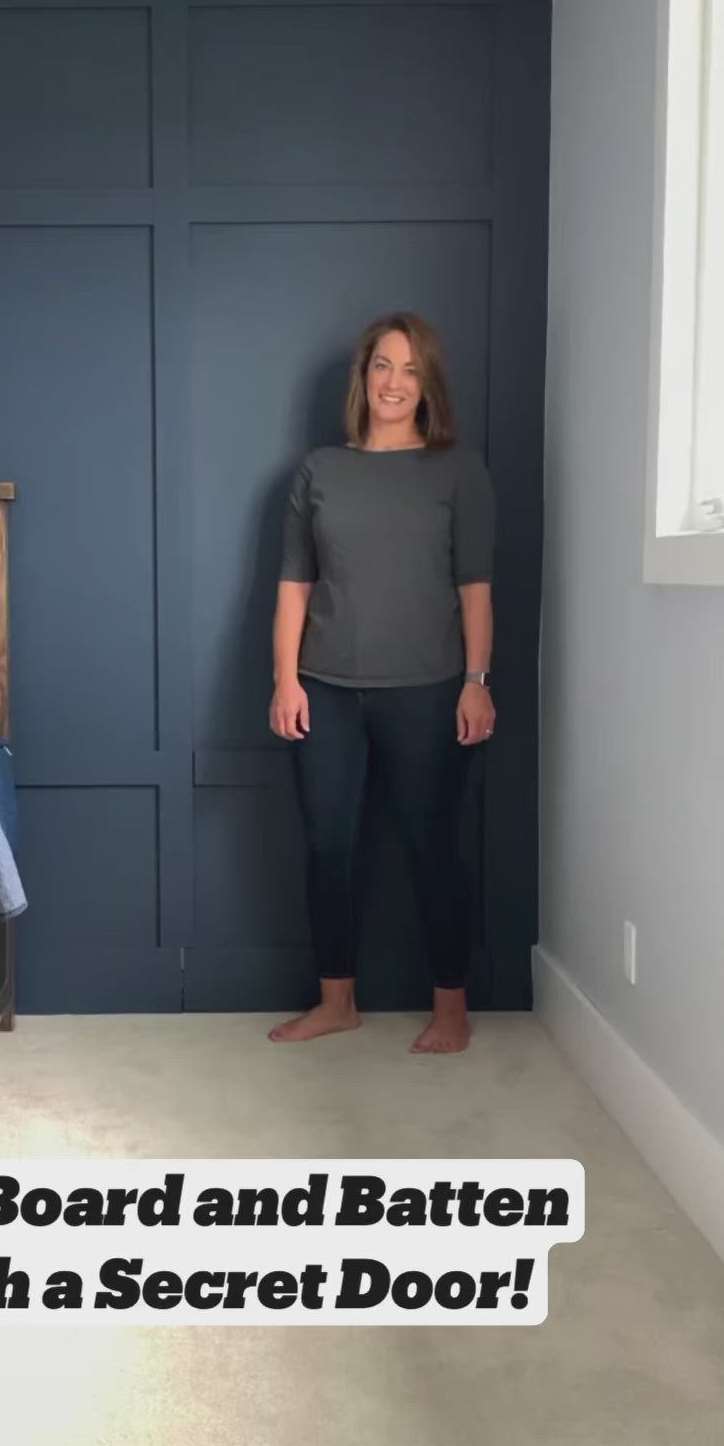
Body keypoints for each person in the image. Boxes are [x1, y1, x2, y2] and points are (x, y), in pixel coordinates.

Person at [268, 311, 496, 1053]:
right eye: (382, 366)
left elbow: (475, 588)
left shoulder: (457, 470)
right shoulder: (319, 470)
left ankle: (452, 1010)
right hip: (324, 689)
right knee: (327, 846)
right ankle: (337, 1003)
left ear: (427, 385)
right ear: (363, 377)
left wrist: (476, 680)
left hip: (430, 690)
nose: (394, 383)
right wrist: (285, 680)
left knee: (434, 846)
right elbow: (294, 586)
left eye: (410, 370)